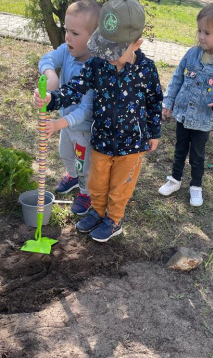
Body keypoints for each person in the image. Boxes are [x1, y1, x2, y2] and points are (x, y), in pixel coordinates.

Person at [33, 0, 163, 242]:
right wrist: (52, 99)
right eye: (104, 47)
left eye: (114, 50)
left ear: (136, 44)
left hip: (132, 144)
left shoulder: (146, 70)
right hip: (101, 138)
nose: (107, 55)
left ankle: (114, 220)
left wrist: (154, 132)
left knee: (120, 186)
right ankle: (98, 211)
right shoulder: (97, 64)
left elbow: (155, 101)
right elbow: (75, 88)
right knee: (97, 181)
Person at [158, 2, 213, 207]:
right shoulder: (191, 54)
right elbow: (177, 79)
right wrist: (168, 102)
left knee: (197, 155)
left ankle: (196, 186)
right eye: (200, 31)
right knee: (179, 149)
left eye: (207, 32)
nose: (201, 36)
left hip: (203, 119)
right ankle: (175, 179)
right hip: (183, 114)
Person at [38, 0, 101, 216]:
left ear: (94, 39)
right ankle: (72, 177)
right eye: (66, 30)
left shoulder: (94, 69)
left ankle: (85, 192)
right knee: (65, 153)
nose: (67, 37)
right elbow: (47, 58)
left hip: (82, 129)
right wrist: (51, 75)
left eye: (75, 33)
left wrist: (57, 124)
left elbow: (85, 110)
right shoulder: (66, 51)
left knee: (84, 164)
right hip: (65, 124)